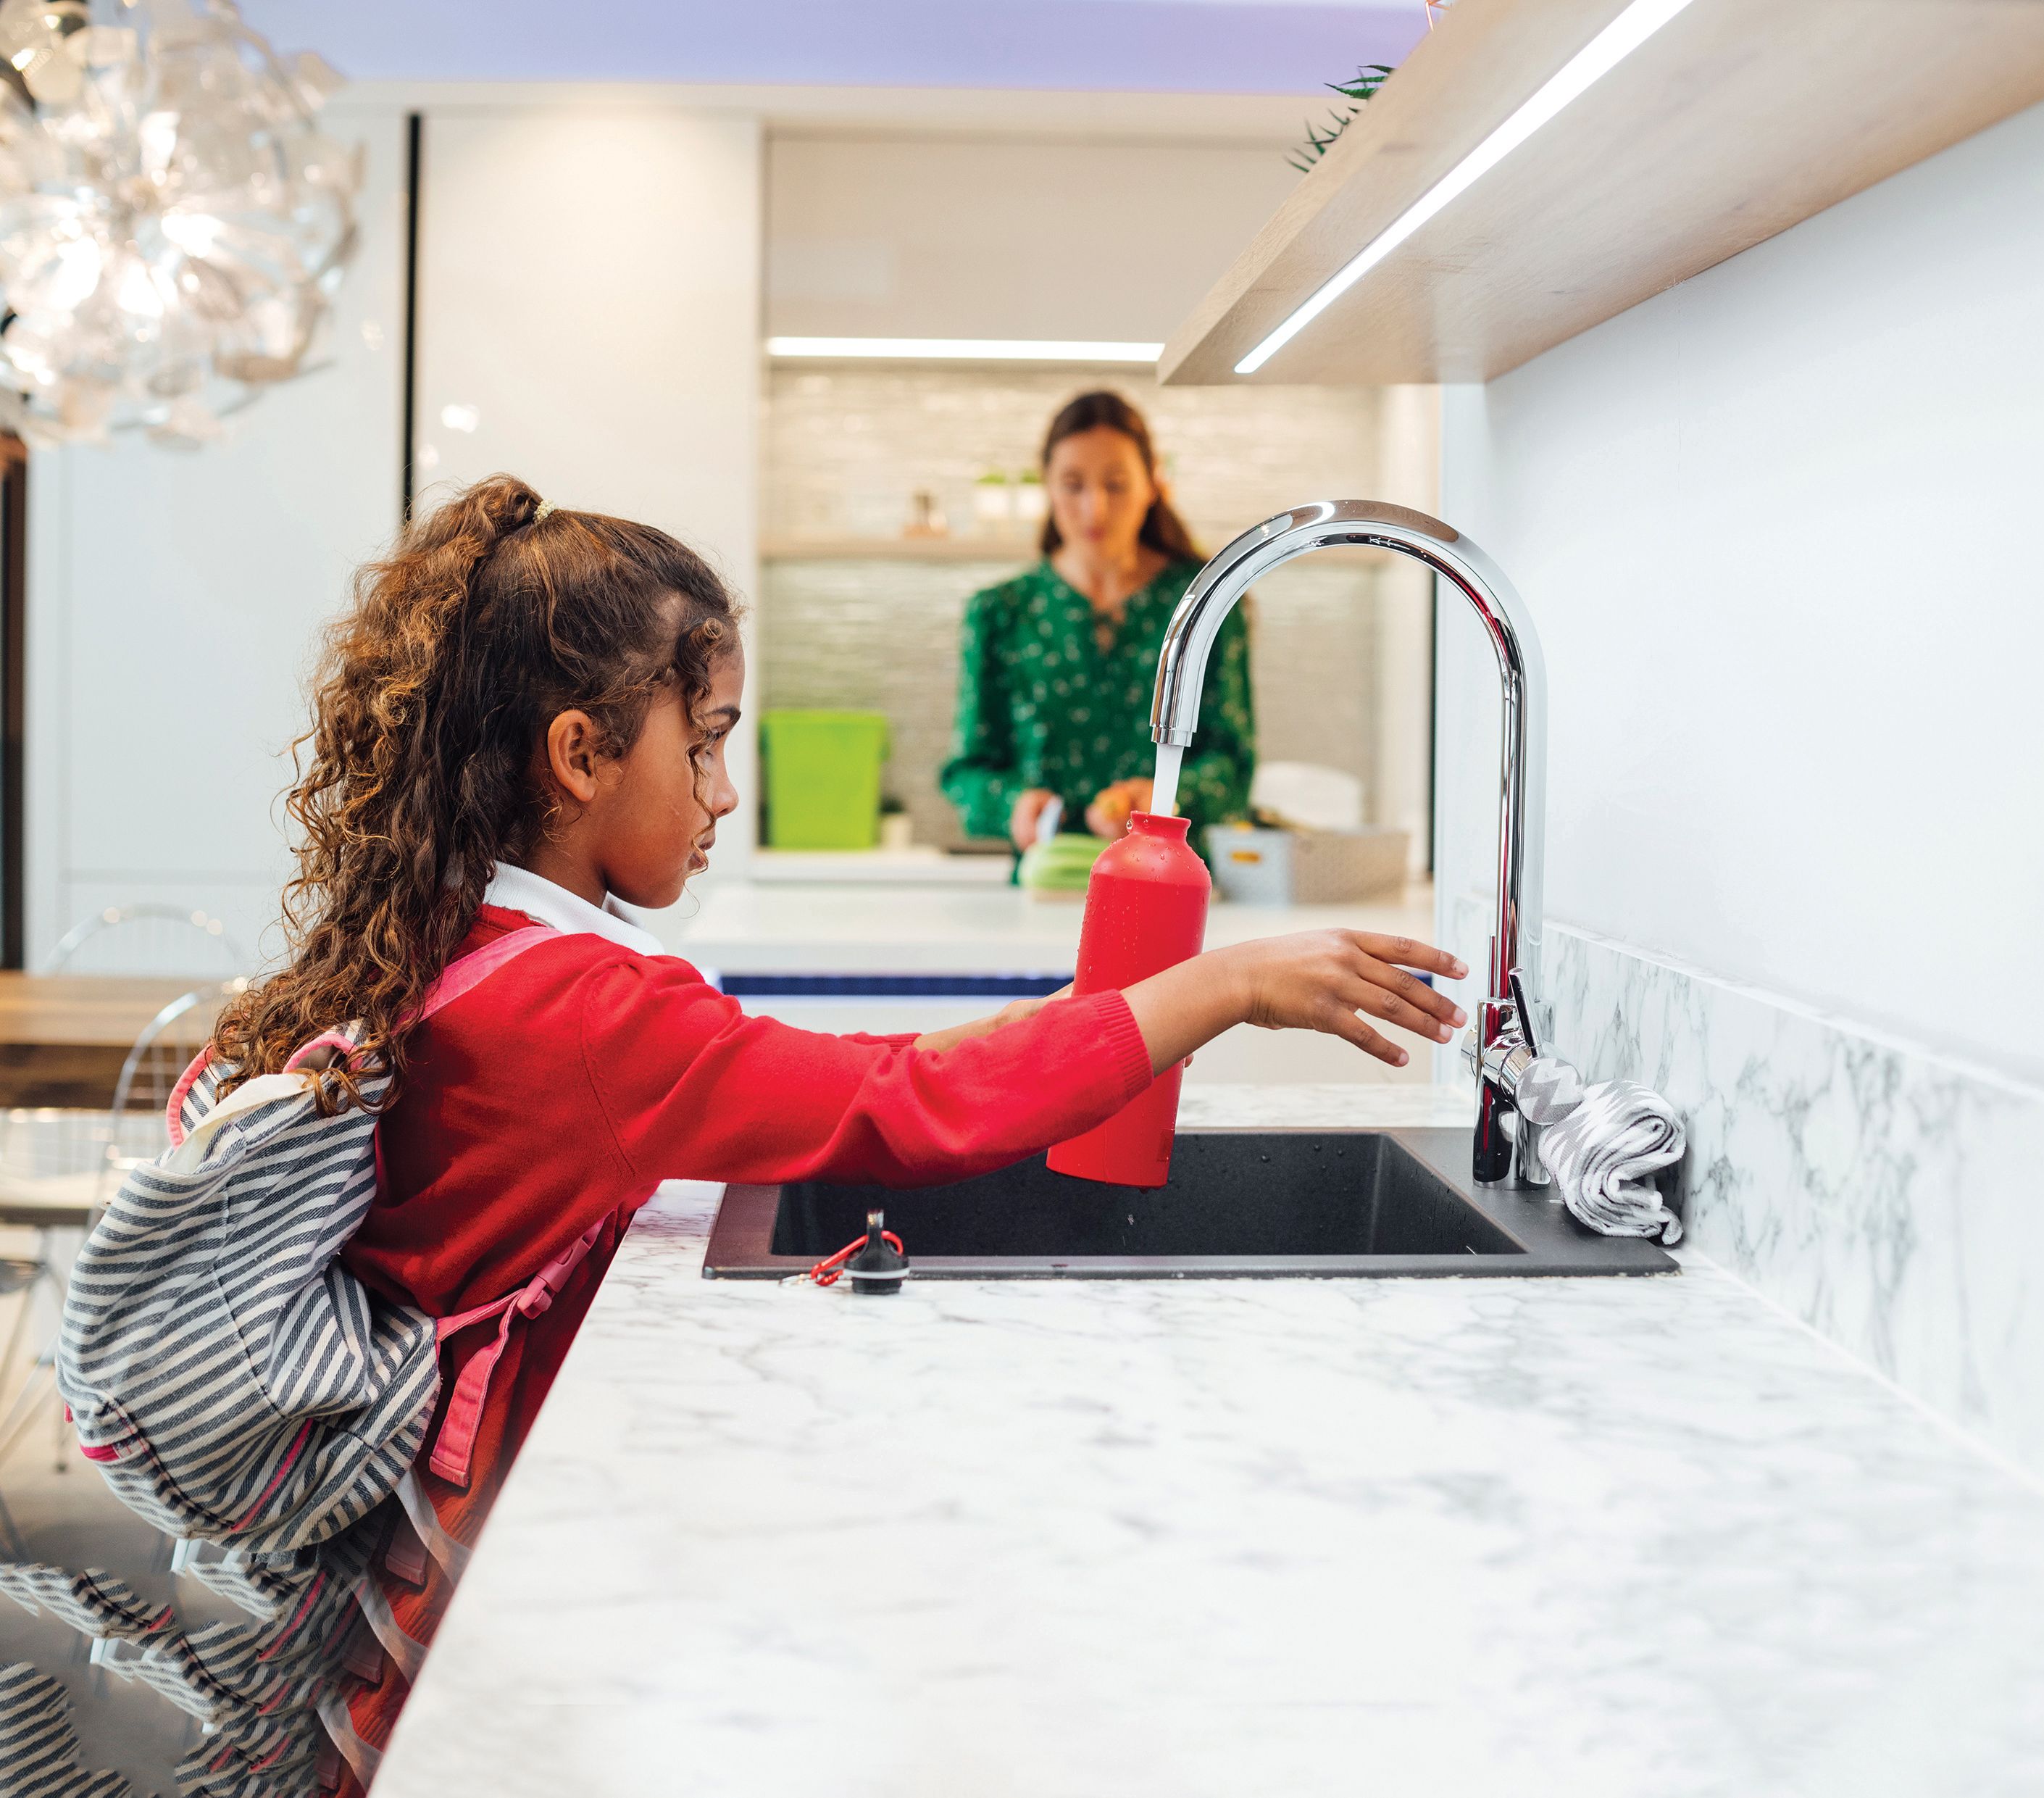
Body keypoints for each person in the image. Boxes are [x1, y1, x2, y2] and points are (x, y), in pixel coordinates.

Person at [200, 475, 1464, 1786]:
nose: (723, 793)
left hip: (429, 1576)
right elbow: (900, 1105)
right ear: (578, 755)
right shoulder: (584, 1014)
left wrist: (1111, 1015)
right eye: (703, 744)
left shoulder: (478, 947)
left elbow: (853, 1073)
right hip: (465, 1607)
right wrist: (1222, 988)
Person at [941, 390, 1253, 848]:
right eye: (1073, 485)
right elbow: (966, 771)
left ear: (1152, 485)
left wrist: (1168, 797)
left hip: (1168, 883)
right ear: (1046, 486)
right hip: (1046, 886)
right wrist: (1012, 806)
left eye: (1116, 484)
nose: (1095, 508)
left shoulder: (1207, 601)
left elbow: (1234, 764)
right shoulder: (999, 612)